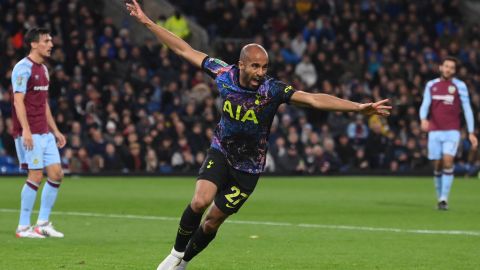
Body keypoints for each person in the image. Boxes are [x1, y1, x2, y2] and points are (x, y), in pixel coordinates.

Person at [126, 1, 391, 269]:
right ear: (241, 64)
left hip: (249, 168)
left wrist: (358, 107)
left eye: (264, 67)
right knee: (199, 201)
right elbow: (183, 48)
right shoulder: (223, 73)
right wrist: (147, 22)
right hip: (221, 151)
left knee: (212, 221)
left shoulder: (272, 90)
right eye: (254, 66)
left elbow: (312, 99)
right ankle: (174, 255)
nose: (260, 73)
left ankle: (183, 264)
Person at [11, 27, 66, 238]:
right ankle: (23, 227)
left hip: (44, 131)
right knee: (35, 175)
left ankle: (42, 223)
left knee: (56, 174)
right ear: (34, 44)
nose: (51, 44)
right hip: (29, 131)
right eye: (46, 41)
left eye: (51, 40)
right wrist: (25, 130)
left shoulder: (43, 70)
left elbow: (43, 103)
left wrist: (56, 130)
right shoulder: (22, 68)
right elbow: (18, 101)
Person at [419, 56, 477, 210]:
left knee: (448, 161)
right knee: (437, 165)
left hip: (452, 131)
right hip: (434, 131)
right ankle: (439, 197)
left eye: (451, 67)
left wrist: (471, 132)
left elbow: (467, 109)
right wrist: (423, 119)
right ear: (441, 67)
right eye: (446, 66)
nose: (448, 69)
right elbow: (425, 104)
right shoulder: (431, 85)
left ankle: (444, 199)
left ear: (455, 71)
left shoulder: (460, 86)